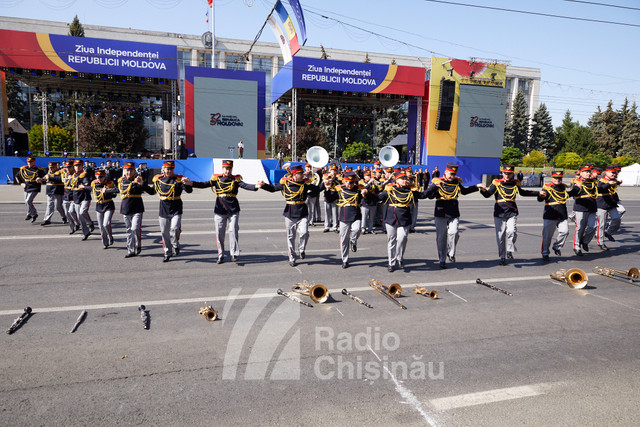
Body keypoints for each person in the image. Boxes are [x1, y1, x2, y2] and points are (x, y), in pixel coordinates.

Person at [185, 159, 262, 264]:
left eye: (230, 168)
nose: (228, 171)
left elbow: (245, 185)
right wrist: (191, 183)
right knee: (219, 233)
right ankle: (220, 254)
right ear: (222, 169)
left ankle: (234, 253)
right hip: (220, 209)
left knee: (233, 231)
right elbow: (204, 184)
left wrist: (255, 187)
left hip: (233, 208)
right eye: (226, 168)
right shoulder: (217, 179)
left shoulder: (235, 179)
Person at [480, 165, 542, 265]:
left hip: (511, 211)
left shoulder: (515, 183)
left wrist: (538, 193)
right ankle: (502, 256)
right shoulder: (497, 183)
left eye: (509, 174)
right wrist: (483, 190)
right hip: (499, 212)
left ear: (512, 174)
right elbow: (488, 194)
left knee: (511, 231)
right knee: (500, 236)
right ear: (502, 173)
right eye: (505, 173)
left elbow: (523, 193)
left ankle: (509, 248)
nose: (507, 175)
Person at [426, 163, 483, 268]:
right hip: (441, 212)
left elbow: (464, 191)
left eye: (454, 174)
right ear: (445, 172)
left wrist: (476, 186)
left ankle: (450, 253)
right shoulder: (438, 182)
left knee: (454, 232)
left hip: (453, 212)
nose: (452, 176)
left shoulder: (456, 182)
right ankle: (442, 259)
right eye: (450, 174)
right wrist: (433, 188)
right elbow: (429, 196)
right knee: (441, 237)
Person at [261, 164, 318, 267]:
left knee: (304, 233)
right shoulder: (286, 184)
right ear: (295, 175)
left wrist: (326, 185)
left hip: (302, 212)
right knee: (291, 237)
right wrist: (263, 185)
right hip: (290, 212)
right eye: (301, 174)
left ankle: (301, 249)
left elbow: (316, 189)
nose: (303, 175)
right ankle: (292, 257)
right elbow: (273, 189)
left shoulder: (305, 184)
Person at [375, 170, 428, 272]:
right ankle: (391, 262)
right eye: (402, 179)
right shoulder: (390, 191)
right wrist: (366, 193)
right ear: (396, 180)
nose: (404, 180)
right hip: (391, 218)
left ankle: (399, 257)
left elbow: (423, 195)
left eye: (405, 178)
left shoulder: (410, 192)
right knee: (391, 240)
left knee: (402, 238)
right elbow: (377, 197)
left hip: (404, 219)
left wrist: (433, 187)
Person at [148, 160, 193, 262]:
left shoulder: (178, 179)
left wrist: (187, 184)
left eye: (171, 169)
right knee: (164, 232)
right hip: (164, 209)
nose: (169, 171)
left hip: (176, 208)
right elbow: (152, 192)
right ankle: (167, 252)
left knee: (174, 228)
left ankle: (175, 244)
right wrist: (143, 185)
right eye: (167, 169)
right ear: (163, 169)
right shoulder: (159, 180)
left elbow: (189, 191)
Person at [111, 162, 154, 258]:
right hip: (126, 208)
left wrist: (142, 184)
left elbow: (151, 192)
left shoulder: (139, 179)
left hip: (137, 208)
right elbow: (117, 190)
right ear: (124, 171)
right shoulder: (121, 181)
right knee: (129, 230)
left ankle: (138, 244)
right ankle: (131, 250)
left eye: (131, 170)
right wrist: (106, 191)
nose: (129, 172)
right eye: (127, 170)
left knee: (135, 228)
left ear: (134, 171)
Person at [537, 171, 580, 261]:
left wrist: (576, 188)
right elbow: (540, 199)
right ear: (552, 178)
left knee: (565, 231)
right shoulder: (547, 187)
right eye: (555, 178)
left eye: (559, 178)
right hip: (550, 214)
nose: (557, 180)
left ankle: (556, 246)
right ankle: (545, 252)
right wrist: (541, 196)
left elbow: (569, 194)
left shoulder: (562, 188)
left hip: (562, 214)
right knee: (547, 236)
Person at [335, 171, 367, 268]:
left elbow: (367, 198)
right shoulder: (340, 189)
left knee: (357, 229)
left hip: (355, 214)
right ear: (344, 181)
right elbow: (331, 196)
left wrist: (366, 193)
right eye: (348, 182)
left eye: (352, 182)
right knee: (344, 239)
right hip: (344, 216)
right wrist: (328, 189)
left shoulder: (359, 189)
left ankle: (353, 240)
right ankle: (345, 259)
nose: (349, 185)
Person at [570, 164, 598, 256]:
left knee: (593, 226)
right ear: (581, 173)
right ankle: (576, 247)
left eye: (589, 171)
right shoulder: (577, 182)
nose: (588, 173)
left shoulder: (593, 182)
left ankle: (585, 241)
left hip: (592, 208)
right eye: (586, 172)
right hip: (581, 208)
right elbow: (573, 192)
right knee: (580, 228)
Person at [595, 165, 622, 250]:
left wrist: (618, 182)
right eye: (612, 172)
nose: (614, 174)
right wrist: (608, 184)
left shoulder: (613, 180)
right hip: (601, 204)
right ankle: (600, 242)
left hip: (611, 204)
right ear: (606, 172)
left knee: (617, 218)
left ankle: (609, 233)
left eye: (614, 172)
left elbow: (614, 185)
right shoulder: (602, 180)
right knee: (601, 224)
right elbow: (600, 188)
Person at [91, 170, 117, 249]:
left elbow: (115, 193)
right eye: (98, 177)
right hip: (99, 205)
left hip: (108, 205)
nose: (99, 179)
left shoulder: (110, 183)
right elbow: (89, 188)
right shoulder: (94, 183)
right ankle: (105, 243)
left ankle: (110, 236)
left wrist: (108, 191)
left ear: (104, 177)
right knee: (101, 226)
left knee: (106, 224)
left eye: (101, 177)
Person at [16, 157, 46, 222]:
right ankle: (34, 214)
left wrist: (40, 179)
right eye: (28, 162)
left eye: (31, 162)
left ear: (34, 162)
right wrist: (21, 183)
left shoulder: (38, 169)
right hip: (27, 186)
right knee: (27, 202)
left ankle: (30, 214)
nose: (29, 163)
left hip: (35, 186)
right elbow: (17, 176)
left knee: (28, 201)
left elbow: (45, 177)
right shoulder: (24, 169)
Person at [40, 161, 67, 226]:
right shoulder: (49, 172)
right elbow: (45, 179)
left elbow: (60, 179)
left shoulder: (60, 172)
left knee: (58, 206)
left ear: (56, 167)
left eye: (52, 167)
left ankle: (64, 216)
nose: (51, 169)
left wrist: (49, 177)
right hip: (50, 190)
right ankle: (47, 219)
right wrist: (40, 179)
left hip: (57, 190)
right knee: (49, 205)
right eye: (50, 167)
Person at [321, 164, 339, 232]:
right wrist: (325, 182)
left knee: (335, 213)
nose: (333, 172)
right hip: (327, 197)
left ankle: (335, 227)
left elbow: (339, 185)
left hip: (334, 198)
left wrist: (333, 180)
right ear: (329, 170)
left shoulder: (337, 179)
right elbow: (320, 187)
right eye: (332, 170)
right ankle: (327, 226)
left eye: (334, 171)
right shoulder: (325, 177)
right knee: (327, 213)